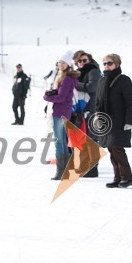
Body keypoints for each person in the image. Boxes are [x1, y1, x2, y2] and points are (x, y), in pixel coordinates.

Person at [95, 54, 132, 188]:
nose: (106, 66)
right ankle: (117, 177)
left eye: (110, 63)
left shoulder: (123, 80)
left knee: (118, 148)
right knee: (111, 148)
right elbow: (98, 101)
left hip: (119, 120)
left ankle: (126, 177)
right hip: (106, 121)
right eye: (104, 63)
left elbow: (130, 102)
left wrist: (129, 121)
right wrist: (97, 116)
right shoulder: (102, 80)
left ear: (117, 64)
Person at [43, 51, 80, 180]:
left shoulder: (68, 78)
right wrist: (52, 92)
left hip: (61, 111)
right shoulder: (61, 76)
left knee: (59, 141)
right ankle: (65, 169)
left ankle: (61, 170)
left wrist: (47, 97)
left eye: (64, 63)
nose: (61, 64)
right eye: (59, 62)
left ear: (69, 64)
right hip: (60, 110)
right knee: (62, 140)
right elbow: (60, 93)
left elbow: (62, 97)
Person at [73, 51, 101, 177]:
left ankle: (93, 169)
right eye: (80, 61)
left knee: (91, 139)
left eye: (85, 60)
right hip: (83, 109)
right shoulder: (81, 72)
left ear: (90, 60)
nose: (82, 63)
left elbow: (92, 87)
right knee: (84, 138)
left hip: (92, 109)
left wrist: (75, 84)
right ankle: (85, 166)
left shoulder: (93, 70)